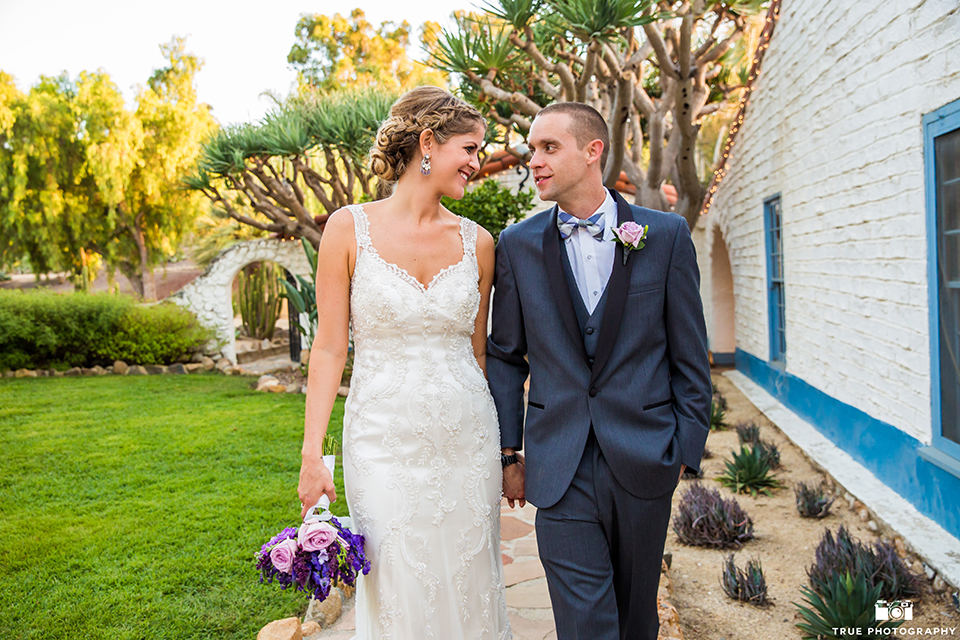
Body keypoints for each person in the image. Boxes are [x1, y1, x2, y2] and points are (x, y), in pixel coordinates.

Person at [487, 102, 711, 640]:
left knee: (637, 619)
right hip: (558, 465)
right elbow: (504, 354)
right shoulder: (516, 245)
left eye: (548, 148)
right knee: (585, 622)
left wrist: (685, 448)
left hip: (644, 457)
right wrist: (509, 452)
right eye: (532, 148)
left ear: (593, 152)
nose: (533, 160)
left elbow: (689, 353)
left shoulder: (666, 235)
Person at [297, 86, 511, 639]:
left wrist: (508, 449)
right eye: (468, 147)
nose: (475, 162)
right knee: (395, 581)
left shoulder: (479, 244)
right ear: (427, 144)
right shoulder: (348, 229)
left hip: (467, 438)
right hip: (380, 439)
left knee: (469, 578)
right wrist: (314, 455)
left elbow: (479, 351)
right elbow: (328, 347)